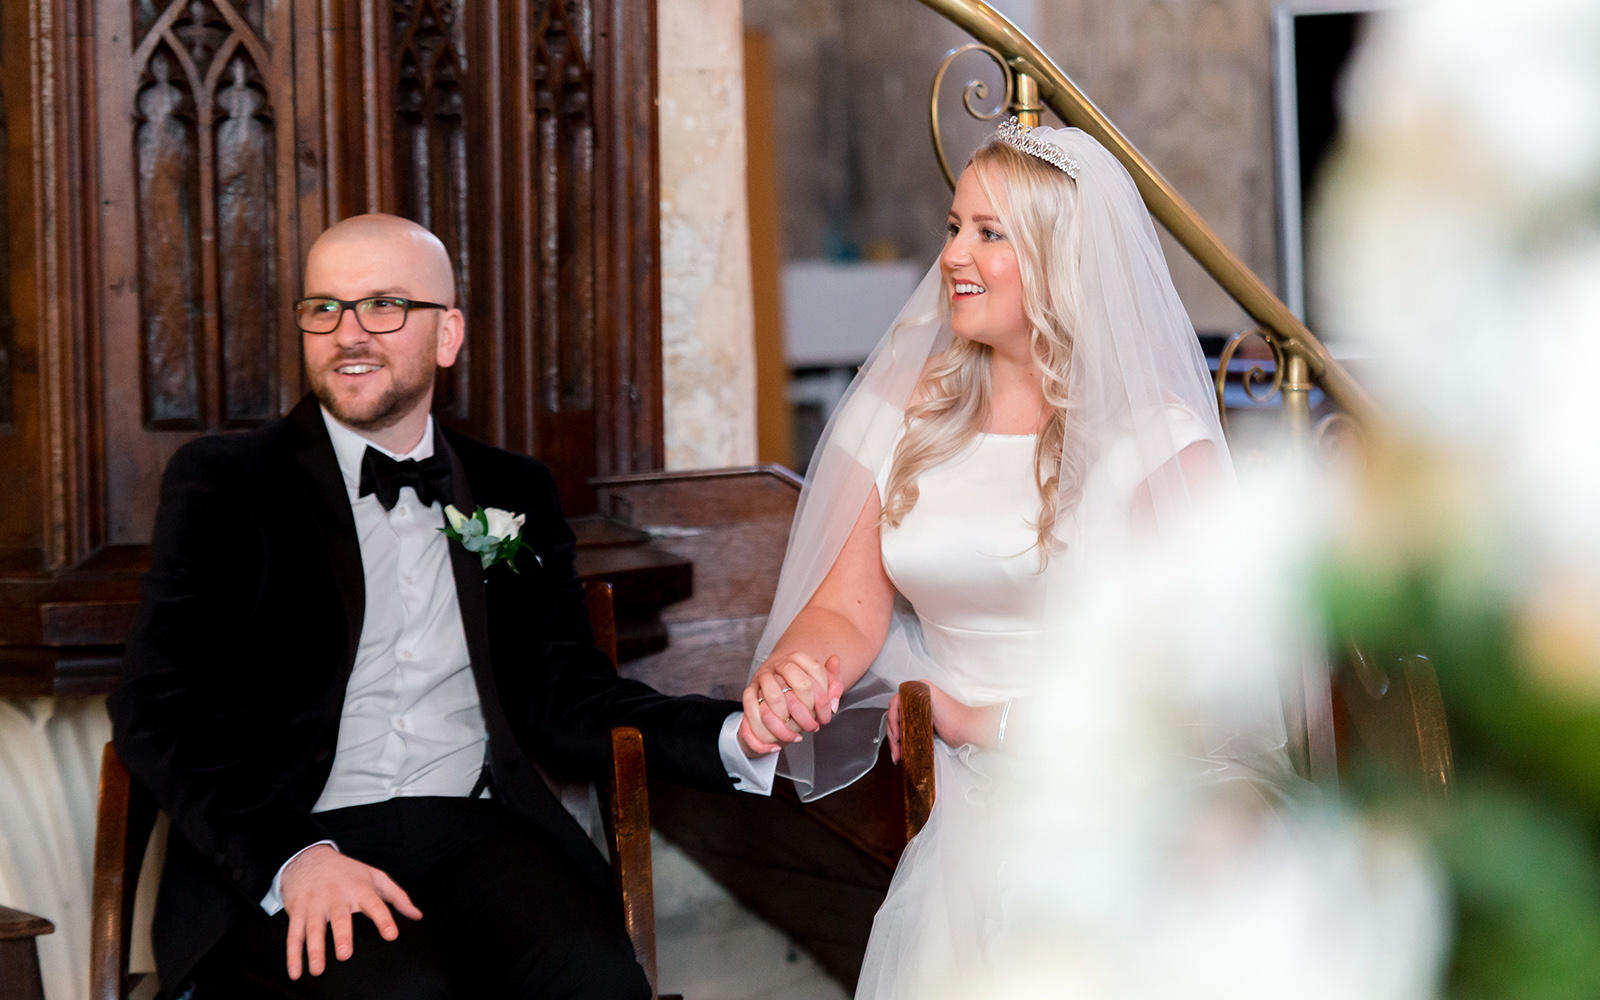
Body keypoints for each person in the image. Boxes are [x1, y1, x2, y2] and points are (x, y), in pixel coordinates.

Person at [111, 214, 785, 999]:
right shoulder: (227, 484)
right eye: (324, 309)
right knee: (409, 993)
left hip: (478, 833)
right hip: (296, 842)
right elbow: (158, 707)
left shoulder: (513, 491)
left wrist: (734, 735)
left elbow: (568, 695)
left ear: (447, 334)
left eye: (384, 306)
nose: (348, 333)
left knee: (594, 978)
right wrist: (291, 862)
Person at [735, 120, 1269, 997]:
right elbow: (848, 606)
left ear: (1061, 260)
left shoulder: (1157, 444)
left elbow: (1188, 683)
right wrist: (798, 672)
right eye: (954, 227)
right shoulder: (911, 403)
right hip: (961, 774)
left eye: (990, 234)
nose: (952, 255)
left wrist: (976, 722)